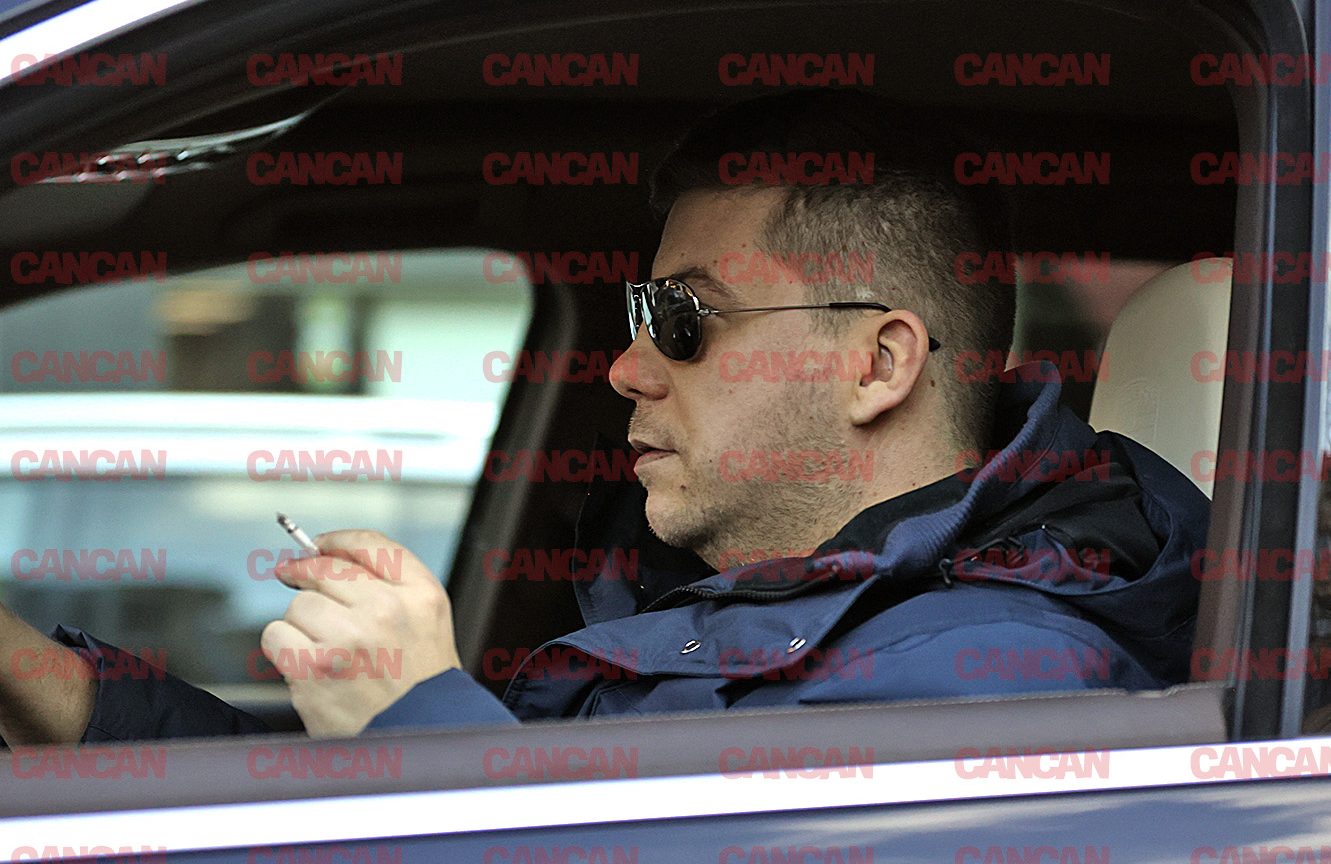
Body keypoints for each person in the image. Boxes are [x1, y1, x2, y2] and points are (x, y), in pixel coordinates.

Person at [0, 90, 1208, 745]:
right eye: (639, 315)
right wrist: (39, 679)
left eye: (684, 320)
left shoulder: (991, 683)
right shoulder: (731, 611)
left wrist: (419, 721)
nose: (626, 368)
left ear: (876, 363)